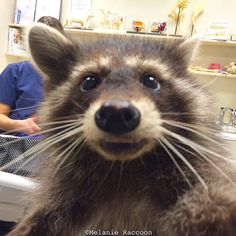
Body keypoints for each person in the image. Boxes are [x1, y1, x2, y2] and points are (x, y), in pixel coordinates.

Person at [0, 16, 65, 137]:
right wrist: (20, 125)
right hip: (19, 144)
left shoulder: (69, 77)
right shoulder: (15, 71)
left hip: (54, 146)